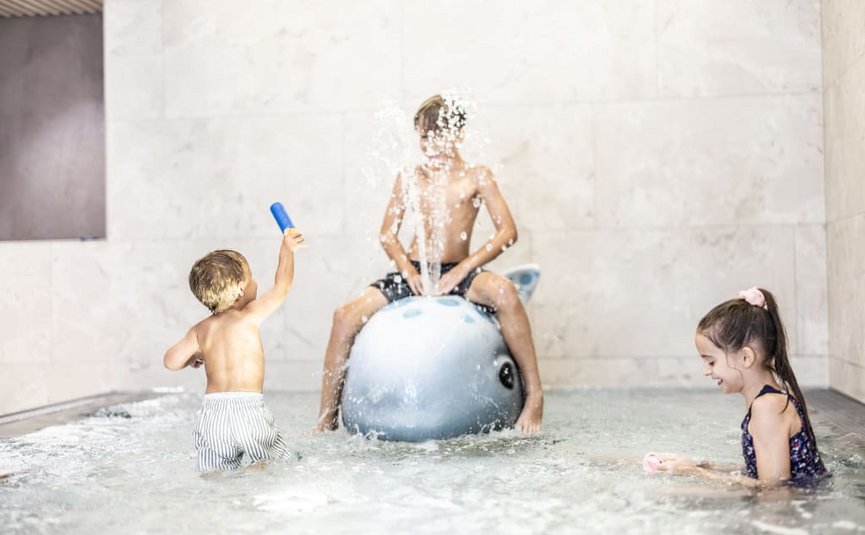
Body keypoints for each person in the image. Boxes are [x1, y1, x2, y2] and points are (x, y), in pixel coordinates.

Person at [314, 94, 544, 434]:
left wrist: (463, 270)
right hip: (415, 271)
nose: (430, 144)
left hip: (458, 270)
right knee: (343, 316)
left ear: (459, 134)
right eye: (424, 136)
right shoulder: (409, 176)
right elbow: (387, 234)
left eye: (438, 134)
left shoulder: (477, 177)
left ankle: (535, 396)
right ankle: (326, 418)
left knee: (506, 293)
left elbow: (507, 232)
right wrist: (407, 271)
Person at [647, 287, 827, 487]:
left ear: (745, 357)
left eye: (711, 362)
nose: (706, 371)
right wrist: (699, 467)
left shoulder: (768, 407)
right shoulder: (769, 400)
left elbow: (775, 491)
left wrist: (696, 473)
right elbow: (759, 472)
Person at [164, 229, 305, 471]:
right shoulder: (248, 316)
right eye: (252, 277)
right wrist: (287, 250)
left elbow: (171, 361)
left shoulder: (201, 329)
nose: (255, 282)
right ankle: (257, 470)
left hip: (212, 418)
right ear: (240, 288)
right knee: (274, 462)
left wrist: (195, 357)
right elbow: (282, 286)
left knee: (215, 474)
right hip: (248, 412)